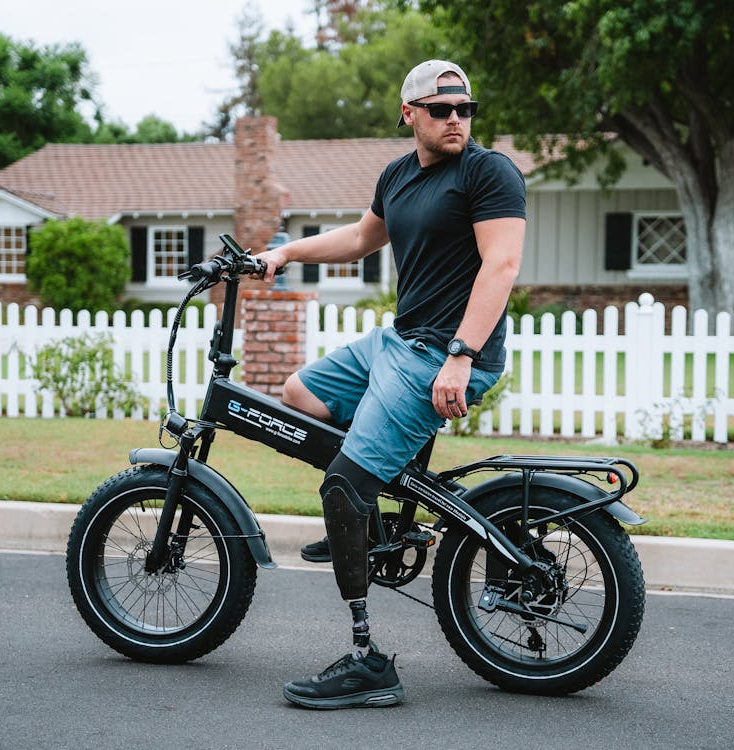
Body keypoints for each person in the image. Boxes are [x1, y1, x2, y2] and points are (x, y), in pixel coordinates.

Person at [256, 59, 526, 709]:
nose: (456, 119)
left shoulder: (487, 172)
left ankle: (367, 659)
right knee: (298, 397)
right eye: (441, 110)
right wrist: (286, 252)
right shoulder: (399, 176)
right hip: (397, 341)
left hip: (444, 353)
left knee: (343, 484)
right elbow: (360, 238)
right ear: (409, 114)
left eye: (464, 109)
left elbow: (502, 262)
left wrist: (460, 355)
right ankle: (372, 525)